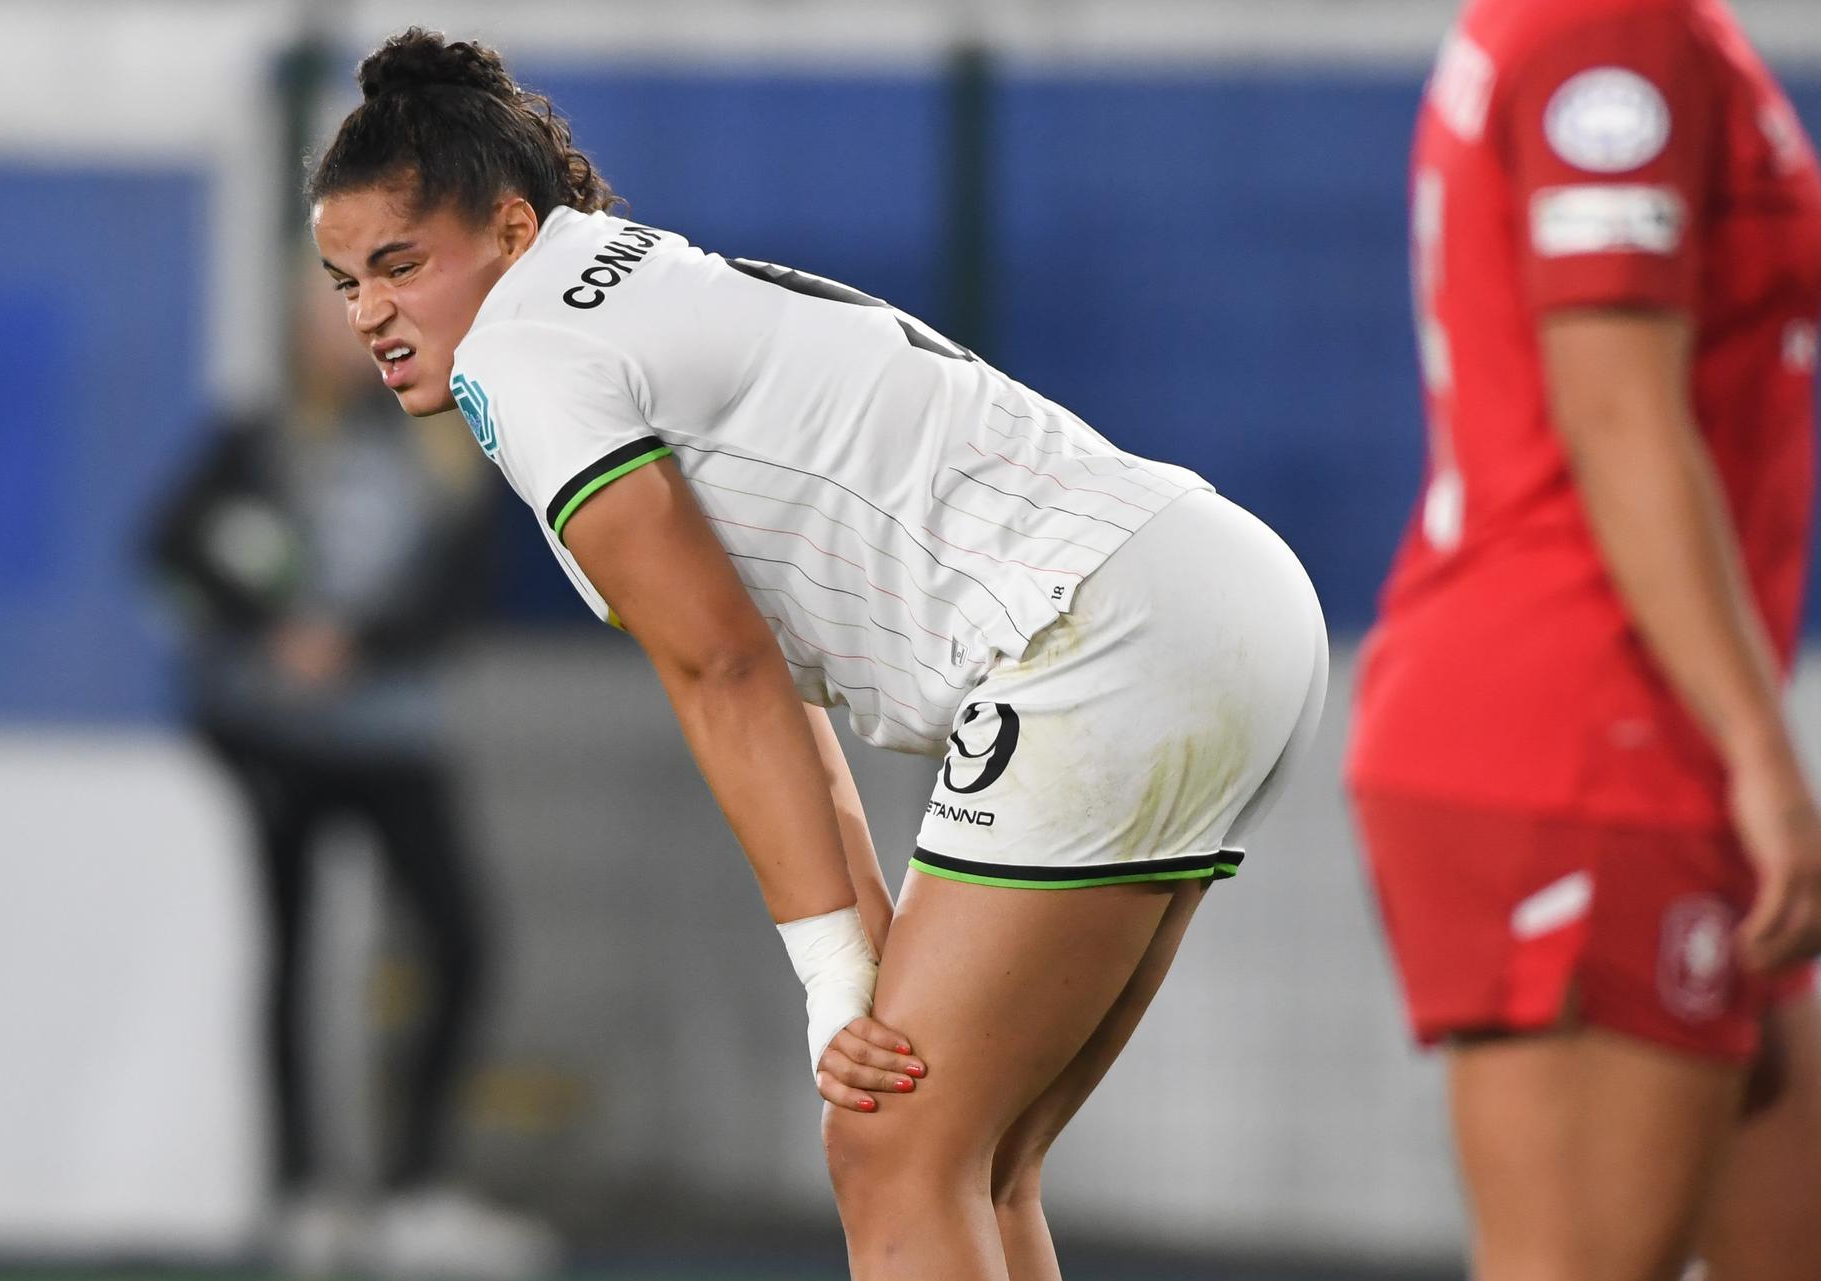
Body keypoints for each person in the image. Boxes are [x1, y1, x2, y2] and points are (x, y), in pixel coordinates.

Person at [305, 27, 1326, 1281]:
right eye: (345, 281)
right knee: (974, 1159)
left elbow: (722, 670)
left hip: (1104, 631)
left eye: (400, 265)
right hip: (1214, 592)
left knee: (891, 1145)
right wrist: (857, 952)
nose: (369, 312)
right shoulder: (643, 280)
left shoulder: (520, 352)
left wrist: (833, 978)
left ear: (513, 231)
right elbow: (767, 675)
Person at [1345, 1, 1821, 1278]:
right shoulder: (1611, 28)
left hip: (1648, 726)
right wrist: (1763, 751)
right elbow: (1616, 413)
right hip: (1583, 736)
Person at [146, 269, 558, 1280]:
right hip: (276, 743)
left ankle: (415, 1189)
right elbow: (172, 544)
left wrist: (356, 646)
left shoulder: (445, 445)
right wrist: (268, 625)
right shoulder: (260, 442)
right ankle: (301, 1192)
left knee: (459, 940)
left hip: (396, 741)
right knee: (288, 960)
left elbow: (463, 588)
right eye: (329, 316)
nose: (349, 335)